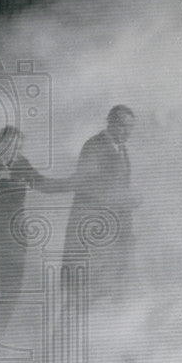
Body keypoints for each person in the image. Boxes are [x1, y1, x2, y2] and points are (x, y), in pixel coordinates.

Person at [0, 126, 70, 332]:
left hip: (15, 235)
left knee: (13, 287)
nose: (15, 151)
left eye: (19, 147)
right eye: (12, 146)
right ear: (0, 143)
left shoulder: (21, 163)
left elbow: (44, 184)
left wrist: (75, 183)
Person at [62, 105, 137, 303]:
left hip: (115, 227)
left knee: (109, 288)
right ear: (110, 123)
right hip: (93, 227)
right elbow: (86, 185)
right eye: (122, 126)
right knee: (85, 292)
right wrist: (122, 198)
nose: (127, 132)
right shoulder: (95, 146)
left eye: (130, 127)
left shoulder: (120, 148)